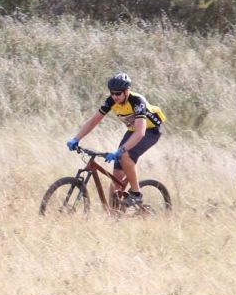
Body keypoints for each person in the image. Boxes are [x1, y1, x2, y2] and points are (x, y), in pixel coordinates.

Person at [66, 73, 165, 207]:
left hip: (150, 131)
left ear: (127, 91)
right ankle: (113, 215)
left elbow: (141, 132)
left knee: (124, 154)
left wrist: (120, 150)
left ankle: (136, 194)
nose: (115, 97)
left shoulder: (137, 102)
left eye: (118, 94)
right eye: (112, 93)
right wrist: (76, 138)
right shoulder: (111, 101)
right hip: (132, 130)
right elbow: (93, 121)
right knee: (116, 177)